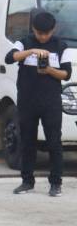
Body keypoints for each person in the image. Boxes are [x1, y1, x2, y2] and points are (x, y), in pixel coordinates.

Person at [6, 10, 71, 197]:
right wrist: (31, 52)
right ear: (33, 29)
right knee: (27, 141)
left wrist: (49, 70)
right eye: (39, 33)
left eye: (46, 33)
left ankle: (56, 183)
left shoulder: (61, 46)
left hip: (51, 102)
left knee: (54, 143)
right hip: (27, 100)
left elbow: (66, 74)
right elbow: (10, 57)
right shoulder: (24, 42)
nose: (42, 37)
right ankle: (27, 181)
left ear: (53, 30)